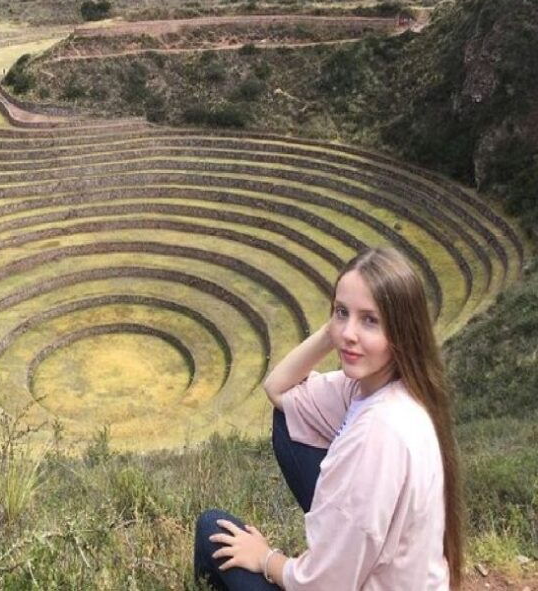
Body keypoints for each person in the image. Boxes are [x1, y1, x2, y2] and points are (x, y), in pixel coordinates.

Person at [193, 247, 464, 590]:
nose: (349, 332)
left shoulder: (376, 436)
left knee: (212, 529)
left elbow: (326, 585)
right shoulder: (388, 392)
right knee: (286, 421)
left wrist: (266, 558)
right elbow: (279, 390)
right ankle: (330, 543)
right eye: (341, 311)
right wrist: (337, 331)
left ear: (401, 330)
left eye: (370, 319)